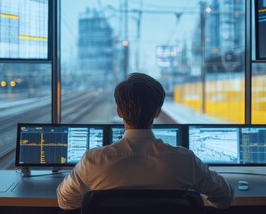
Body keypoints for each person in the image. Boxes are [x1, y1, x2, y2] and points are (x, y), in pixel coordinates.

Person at [57, 72, 234, 211]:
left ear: (119, 112)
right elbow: (225, 199)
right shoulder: (185, 160)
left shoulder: (93, 161)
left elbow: (65, 202)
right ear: (157, 112)